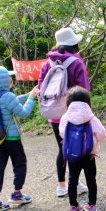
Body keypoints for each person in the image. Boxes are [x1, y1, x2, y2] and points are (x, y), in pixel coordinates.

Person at [38, 27, 91, 198]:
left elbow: (40, 87)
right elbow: (84, 90)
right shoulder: (76, 62)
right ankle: (74, 184)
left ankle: (62, 186)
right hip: (73, 115)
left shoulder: (48, 63)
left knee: (62, 149)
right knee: (77, 148)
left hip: (54, 114)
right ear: (75, 43)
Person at [0, 66, 40, 211]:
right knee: (19, 164)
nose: (11, 79)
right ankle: (17, 194)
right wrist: (32, 97)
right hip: (12, 139)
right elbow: (23, 113)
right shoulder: (7, 96)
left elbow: (12, 101)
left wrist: (27, 95)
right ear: (3, 80)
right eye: (8, 77)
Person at [59, 86, 106, 211]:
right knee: (91, 179)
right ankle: (92, 206)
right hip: (89, 154)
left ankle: (73, 207)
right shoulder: (91, 118)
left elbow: (62, 133)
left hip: (72, 155)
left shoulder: (65, 117)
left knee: (72, 180)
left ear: (68, 102)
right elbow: (101, 134)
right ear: (87, 102)